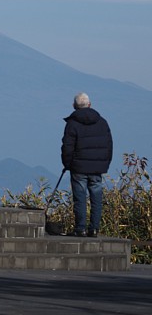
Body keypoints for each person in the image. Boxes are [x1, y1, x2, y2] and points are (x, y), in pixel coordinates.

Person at [61, 92, 112, 237]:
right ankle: (94, 229)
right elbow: (109, 145)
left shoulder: (72, 123)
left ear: (74, 106)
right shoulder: (102, 122)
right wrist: (104, 164)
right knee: (96, 198)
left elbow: (67, 146)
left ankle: (80, 228)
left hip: (78, 167)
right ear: (90, 104)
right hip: (97, 168)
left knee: (80, 198)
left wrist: (67, 163)